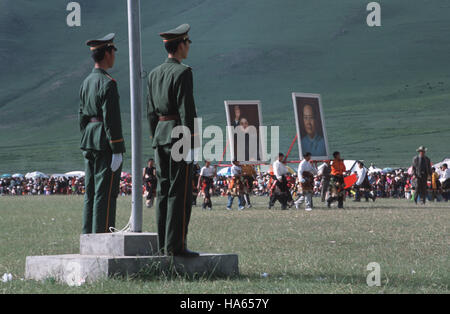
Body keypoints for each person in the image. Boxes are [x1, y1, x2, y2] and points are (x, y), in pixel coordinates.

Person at [146, 24, 199, 257]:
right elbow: (187, 109)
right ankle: (175, 247)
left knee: (164, 191)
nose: (188, 47)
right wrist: (192, 143)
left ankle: (162, 246)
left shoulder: (154, 73)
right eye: (187, 42)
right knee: (180, 192)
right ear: (180, 45)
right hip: (178, 134)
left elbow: (150, 112)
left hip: (160, 136)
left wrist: (155, 136)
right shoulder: (183, 72)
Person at [79, 33, 125, 234]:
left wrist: (86, 136)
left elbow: (82, 114)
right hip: (104, 140)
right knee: (105, 192)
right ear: (107, 53)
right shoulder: (108, 83)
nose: (114, 55)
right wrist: (117, 148)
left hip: (89, 138)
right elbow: (111, 119)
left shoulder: (86, 81)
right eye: (113, 51)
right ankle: (102, 236)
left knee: (90, 191)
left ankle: (88, 234)